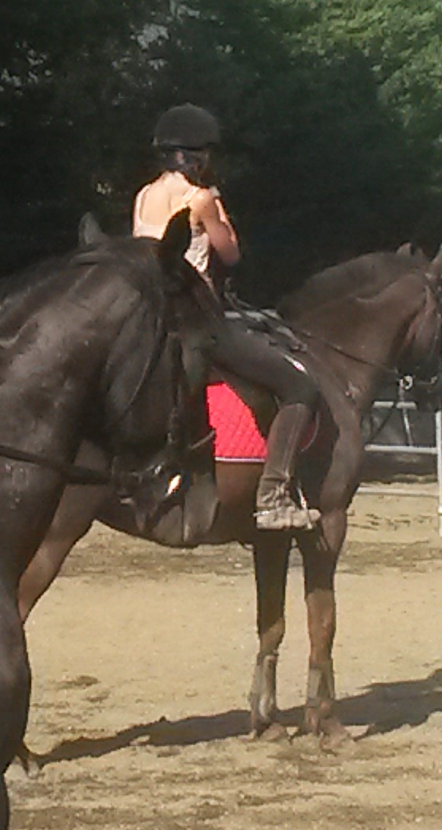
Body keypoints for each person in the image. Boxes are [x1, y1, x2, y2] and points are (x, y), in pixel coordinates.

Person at [133, 104, 325, 532]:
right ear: (195, 157)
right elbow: (231, 254)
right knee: (299, 386)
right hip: (199, 320)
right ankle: (273, 495)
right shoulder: (199, 199)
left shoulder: (144, 196)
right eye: (206, 154)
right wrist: (219, 211)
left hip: (152, 319)